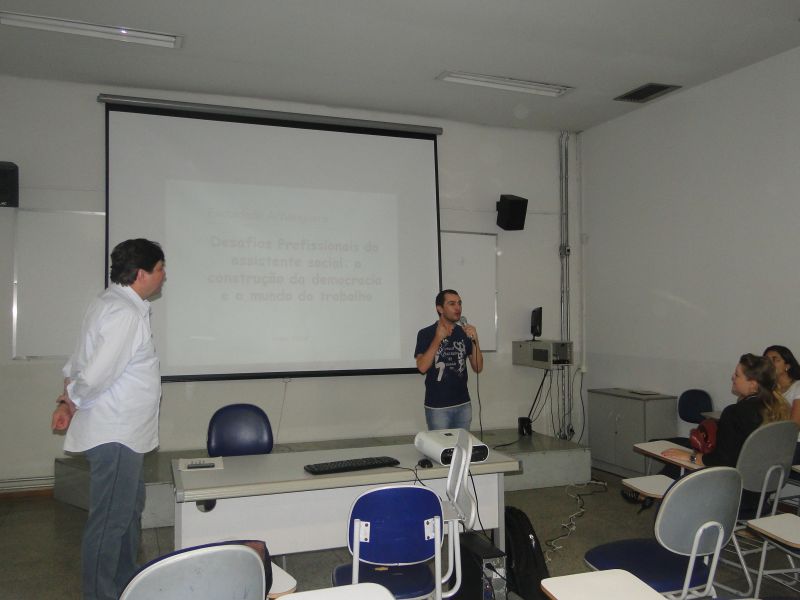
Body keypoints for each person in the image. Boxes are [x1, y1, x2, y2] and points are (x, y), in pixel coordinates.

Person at [51, 239, 166, 600]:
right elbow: (97, 373)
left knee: (128, 512)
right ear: (142, 273)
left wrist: (68, 400)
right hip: (116, 433)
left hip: (125, 433)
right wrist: (72, 400)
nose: (164, 276)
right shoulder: (125, 314)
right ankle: (101, 594)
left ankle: (125, 585)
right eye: (160, 268)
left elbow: (79, 362)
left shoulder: (110, 303)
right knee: (110, 522)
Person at [661, 353, 790, 511]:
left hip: (731, 494)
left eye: (737, 375)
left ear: (753, 384)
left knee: (676, 463)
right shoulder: (779, 410)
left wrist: (691, 457)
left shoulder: (735, 412)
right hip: (762, 493)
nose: (732, 377)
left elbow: (720, 461)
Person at [415, 289, 483, 430]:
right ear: (440, 309)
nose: (458, 308)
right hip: (437, 407)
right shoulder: (426, 333)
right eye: (452, 304)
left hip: (463, 404)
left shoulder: (464, 333)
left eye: (459, 303)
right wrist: (438, 338)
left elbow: (478, 367)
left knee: (461, 444)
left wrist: (475, 340)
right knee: (440, 444)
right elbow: (422, 367)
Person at [764, 345, 800, 467]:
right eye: (767, 360)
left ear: (787, 365)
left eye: (775, 359)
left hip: (794, 442)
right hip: (771, 440)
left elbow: (794, 425)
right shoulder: (768, 389)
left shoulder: (798, 387)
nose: (770, 364)